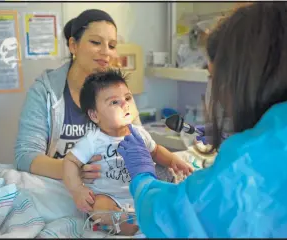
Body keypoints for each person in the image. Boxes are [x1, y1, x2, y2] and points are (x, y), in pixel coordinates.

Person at [117, 2, 287, 238]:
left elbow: (176, 216)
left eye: (213, 77)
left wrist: (143, 176)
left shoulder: (248, 163)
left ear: (238, 78)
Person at [14, 9, 144, 181]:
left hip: (107, 187)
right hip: (57, 187)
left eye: (112, 45)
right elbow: (25, 156)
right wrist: (72, 169)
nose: (106, 52)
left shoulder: (118, 91)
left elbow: (138, 141)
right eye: (96, 42)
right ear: (73, 45)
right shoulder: (44, 92)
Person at [63, 69, 193, 235]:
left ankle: (144, 220)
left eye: (128, 98)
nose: (125, 104)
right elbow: (70, 161)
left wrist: (173, 160)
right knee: (99, 208)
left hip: (141, 194)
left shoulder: (139, 133)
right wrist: (77, 190)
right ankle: (128, 226)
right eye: (114, 102)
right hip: (109, 196)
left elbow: (156, 151)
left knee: (166, 195)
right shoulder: (93, 141)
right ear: (94, 115)